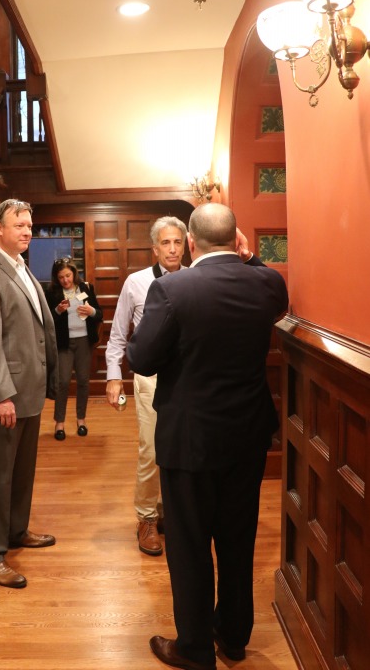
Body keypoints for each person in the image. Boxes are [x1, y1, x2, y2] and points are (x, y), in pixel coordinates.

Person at [126, 203, 288, 670]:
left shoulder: (171, 288)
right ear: (237, 239)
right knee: (238, 539)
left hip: (190, 438)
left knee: (190, 545)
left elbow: (142, 359)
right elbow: (276, 298)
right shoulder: (267, 283)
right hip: (247, 435)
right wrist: (250, 257)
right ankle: (233, 638)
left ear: (191, 243)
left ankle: (195, 648)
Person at [0, 199, 58, 589]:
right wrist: (1, 394)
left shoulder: (20, 266)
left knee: (22, 472)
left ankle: (17, 530)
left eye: (29, 225)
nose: (27, 231)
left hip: (28, 392)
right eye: (19, 225)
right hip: (3, 397)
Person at [105, 215, 188, 556]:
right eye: (165, 243)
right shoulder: (136, 282)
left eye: (178, 242)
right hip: (149, 378)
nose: (172, 249)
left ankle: (170, 512)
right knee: (151, 450)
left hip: (186, 379)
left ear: (186, 245)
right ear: (155, 248)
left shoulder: (194, 280)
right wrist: (113, 376)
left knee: (181, 448)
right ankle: (146, 518)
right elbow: (118, 334)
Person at [45, 257, 103, 439]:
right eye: (61, 277)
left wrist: (91, 311)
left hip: (84, 341)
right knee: (62, 382)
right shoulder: (52, 292)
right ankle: (59, 423)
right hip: (64, 343)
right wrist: (58, 311)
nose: (65, 280)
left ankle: (81, 420)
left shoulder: (85, 288)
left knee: (83, 381)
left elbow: (99, 314)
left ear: (74, 273)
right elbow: (46, 320)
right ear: (56, 278)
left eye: (68, 276)